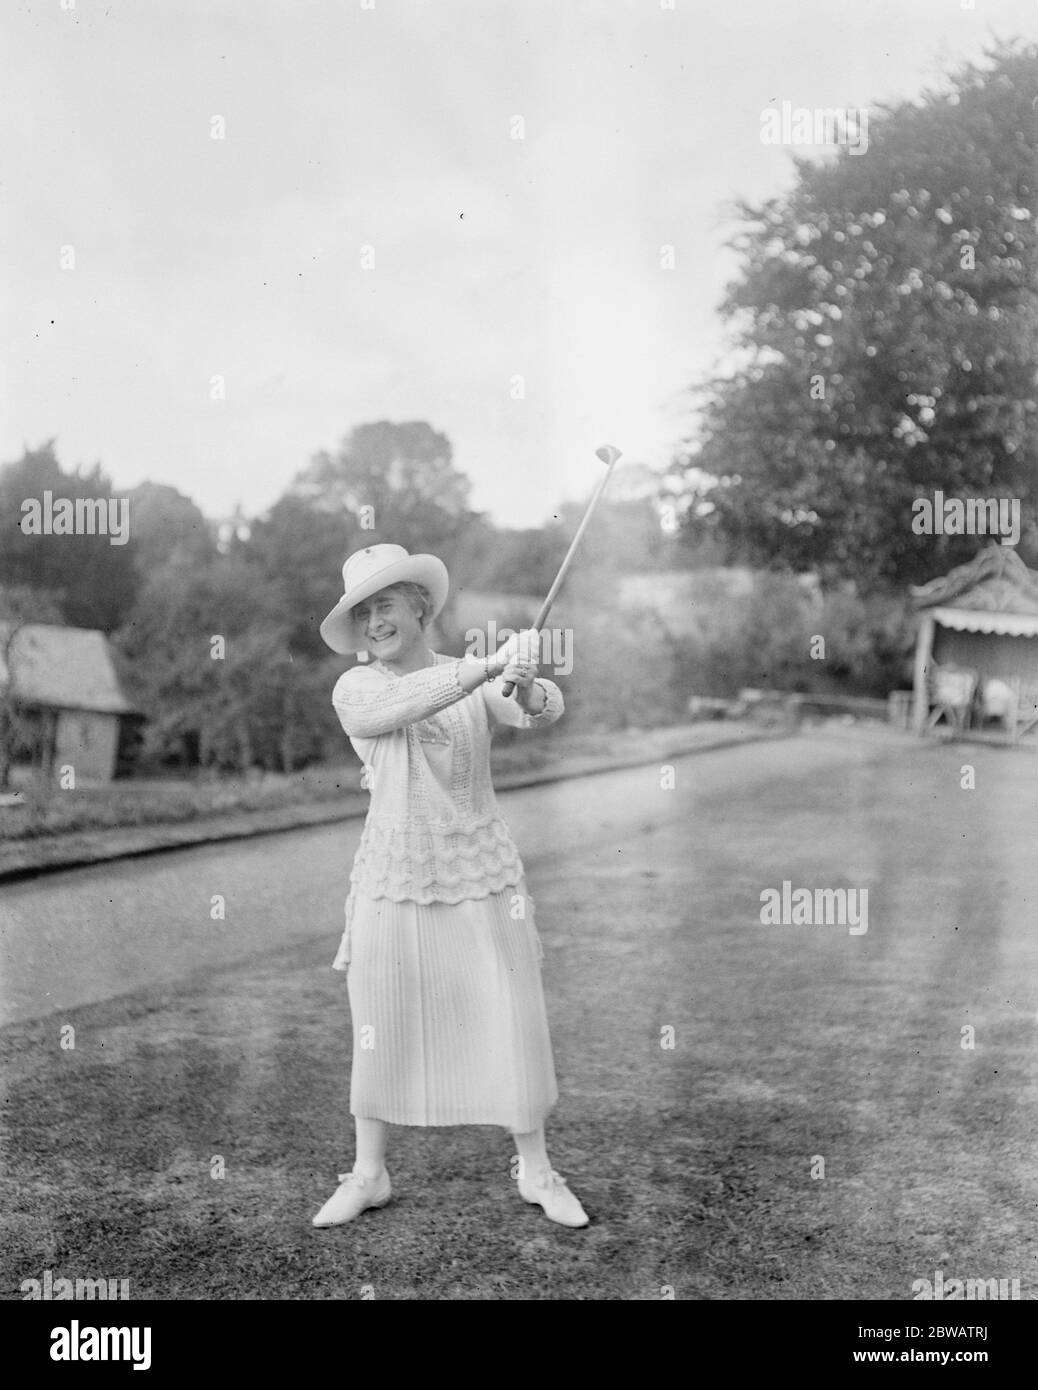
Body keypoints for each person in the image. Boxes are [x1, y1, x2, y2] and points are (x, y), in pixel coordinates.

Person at [312, 542, 588, 1229]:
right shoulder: (358, 688)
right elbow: (406, 703)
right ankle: (368, 1173)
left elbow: (545, 708)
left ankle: (538, 1170)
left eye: (388, 604)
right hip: (394, 872)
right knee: (378, 1019)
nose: (377, 621)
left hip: (479, 868)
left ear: (419, 606)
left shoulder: (471, 674)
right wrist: (491, 664)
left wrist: (523, 678)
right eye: (365, 611)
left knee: (509, 1007)